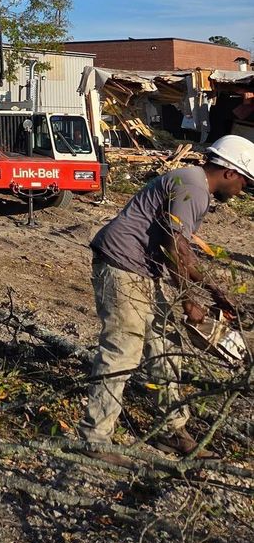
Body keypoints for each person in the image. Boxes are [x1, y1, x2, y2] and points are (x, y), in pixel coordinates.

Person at [79, 134, 254, 459]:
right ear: (230, 172)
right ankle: (94, 438)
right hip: (122, 266)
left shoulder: (192, 183)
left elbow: (182, 249)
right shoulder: (194, 187)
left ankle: (173, 432)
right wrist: (189, 300)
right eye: (245, 182)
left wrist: (216, 292)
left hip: (143, 270)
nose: (243, 190)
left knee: (166, 349)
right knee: (122, 351)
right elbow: (175, 247)